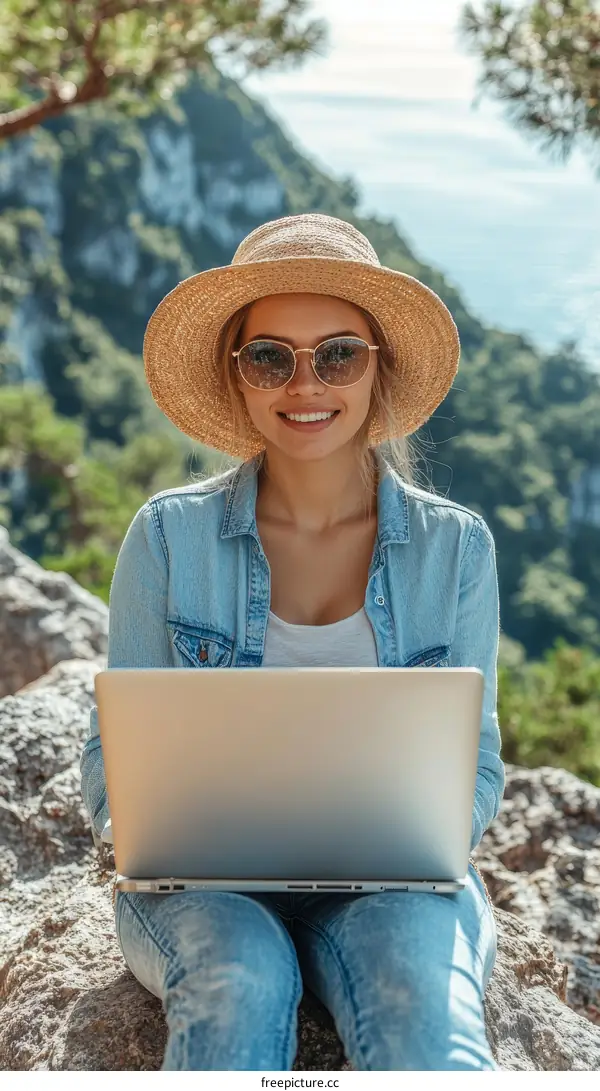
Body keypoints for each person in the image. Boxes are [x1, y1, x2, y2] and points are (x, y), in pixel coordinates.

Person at [80, 212, 505, 1071]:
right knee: (236, 981)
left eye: (338, 353)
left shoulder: (456, 548)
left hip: (395, 887)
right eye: (270, 355)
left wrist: (424, 841)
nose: (305, 384)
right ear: (237, 376)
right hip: (202, 889)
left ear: (378, 365)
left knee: (424, 1016)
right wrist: (147, 832)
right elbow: (108, 761)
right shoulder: (167, 539)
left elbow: (480, 768)